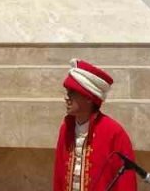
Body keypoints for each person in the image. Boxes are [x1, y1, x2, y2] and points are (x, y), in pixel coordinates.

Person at [51, 59, 136, 191]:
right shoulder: (66, 128)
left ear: (89, 98)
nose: (66, 98)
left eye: (72, 93)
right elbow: (59, 176)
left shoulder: (114, 132)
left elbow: (126, 183)